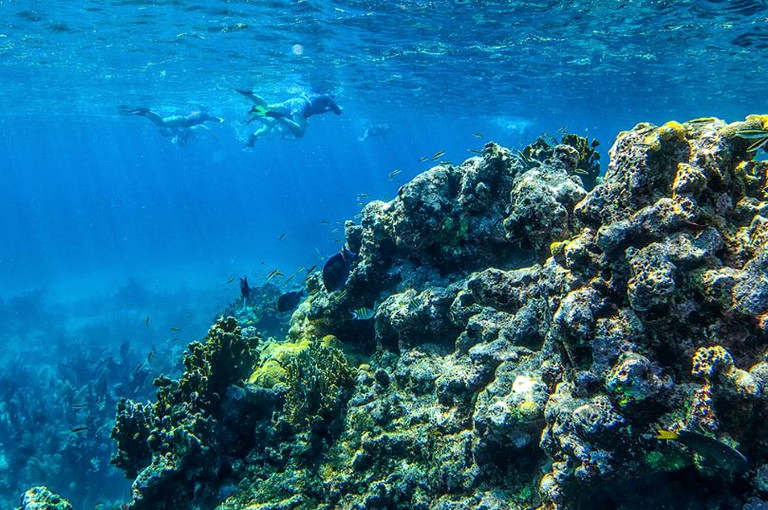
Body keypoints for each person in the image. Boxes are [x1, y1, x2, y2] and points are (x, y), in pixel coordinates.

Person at [235, 90, 342, 147]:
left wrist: (329, 110)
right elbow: (338, 112)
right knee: (300, 133)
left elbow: (318, 111)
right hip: (301, 106)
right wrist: (336, 107)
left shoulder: (316, 97)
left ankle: (251, 95)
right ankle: (279, 117)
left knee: (266, 107)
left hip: (292, 101)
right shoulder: (328, 99)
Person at [117, 106, 224, 145]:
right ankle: (148, 111)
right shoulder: (203, 116)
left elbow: (215, 119)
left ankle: (144, 113)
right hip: (180, 120)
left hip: (180, 121)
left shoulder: (203, 116)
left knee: (159, 123)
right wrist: (220, 120)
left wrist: (220, 120)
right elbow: (215, 119)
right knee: (161, 122)